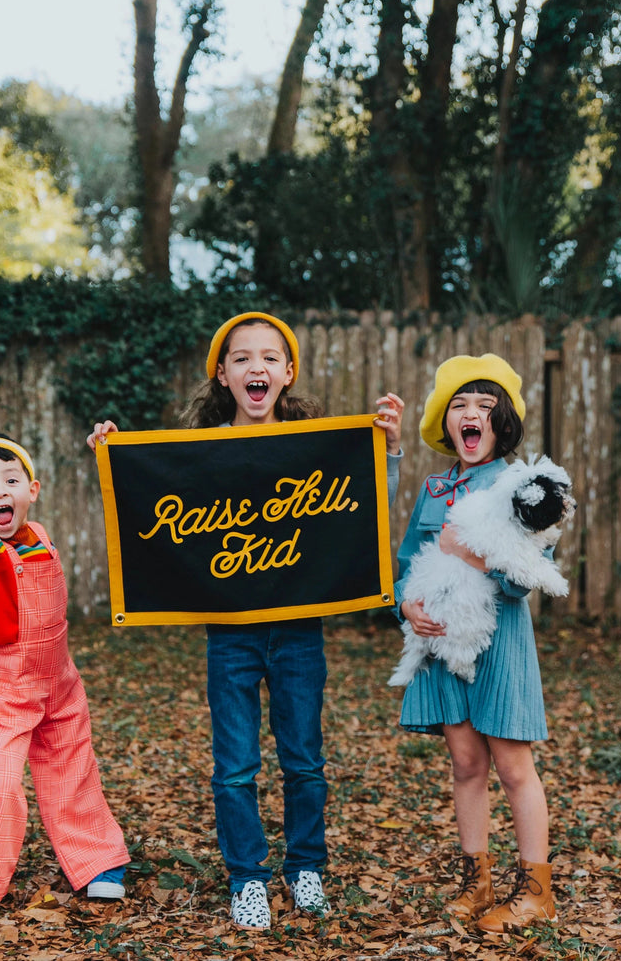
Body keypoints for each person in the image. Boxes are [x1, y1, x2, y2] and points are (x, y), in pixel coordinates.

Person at [88, 311, 404, 930]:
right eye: (241, 358)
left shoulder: (317, 448)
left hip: (298, 632)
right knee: (234, 767)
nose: (255, 367)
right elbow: (147, 510)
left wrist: (386, 451)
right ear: (223, 376)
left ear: (287, 373)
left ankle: (305, 866)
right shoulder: (200, 457)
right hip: (228, 632)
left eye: (268, 357)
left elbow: (363, 510)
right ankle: (248, 878)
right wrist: (115, 456)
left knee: (304, 760)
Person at [395, 354, 558, 934]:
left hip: (501, 645)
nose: (471, 415)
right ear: (447, 422)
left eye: (484, 407)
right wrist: (406, 605)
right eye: (460, 406)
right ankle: (477, 879)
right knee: (466, 762)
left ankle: (536, 890)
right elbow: (406, 562)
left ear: (503, 422)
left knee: (513, 765)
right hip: (442, 644)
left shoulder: (521, 484)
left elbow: (527, 577)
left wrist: (476, 556)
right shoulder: (435, 487)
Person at [0, 429, 130, 919]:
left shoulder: (40, 537)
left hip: (60, 684)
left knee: (74, 772)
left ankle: (96, 863)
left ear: (34, 490)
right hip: (7, 688)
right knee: (1, 784)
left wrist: (107, 449)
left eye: (10, 480)